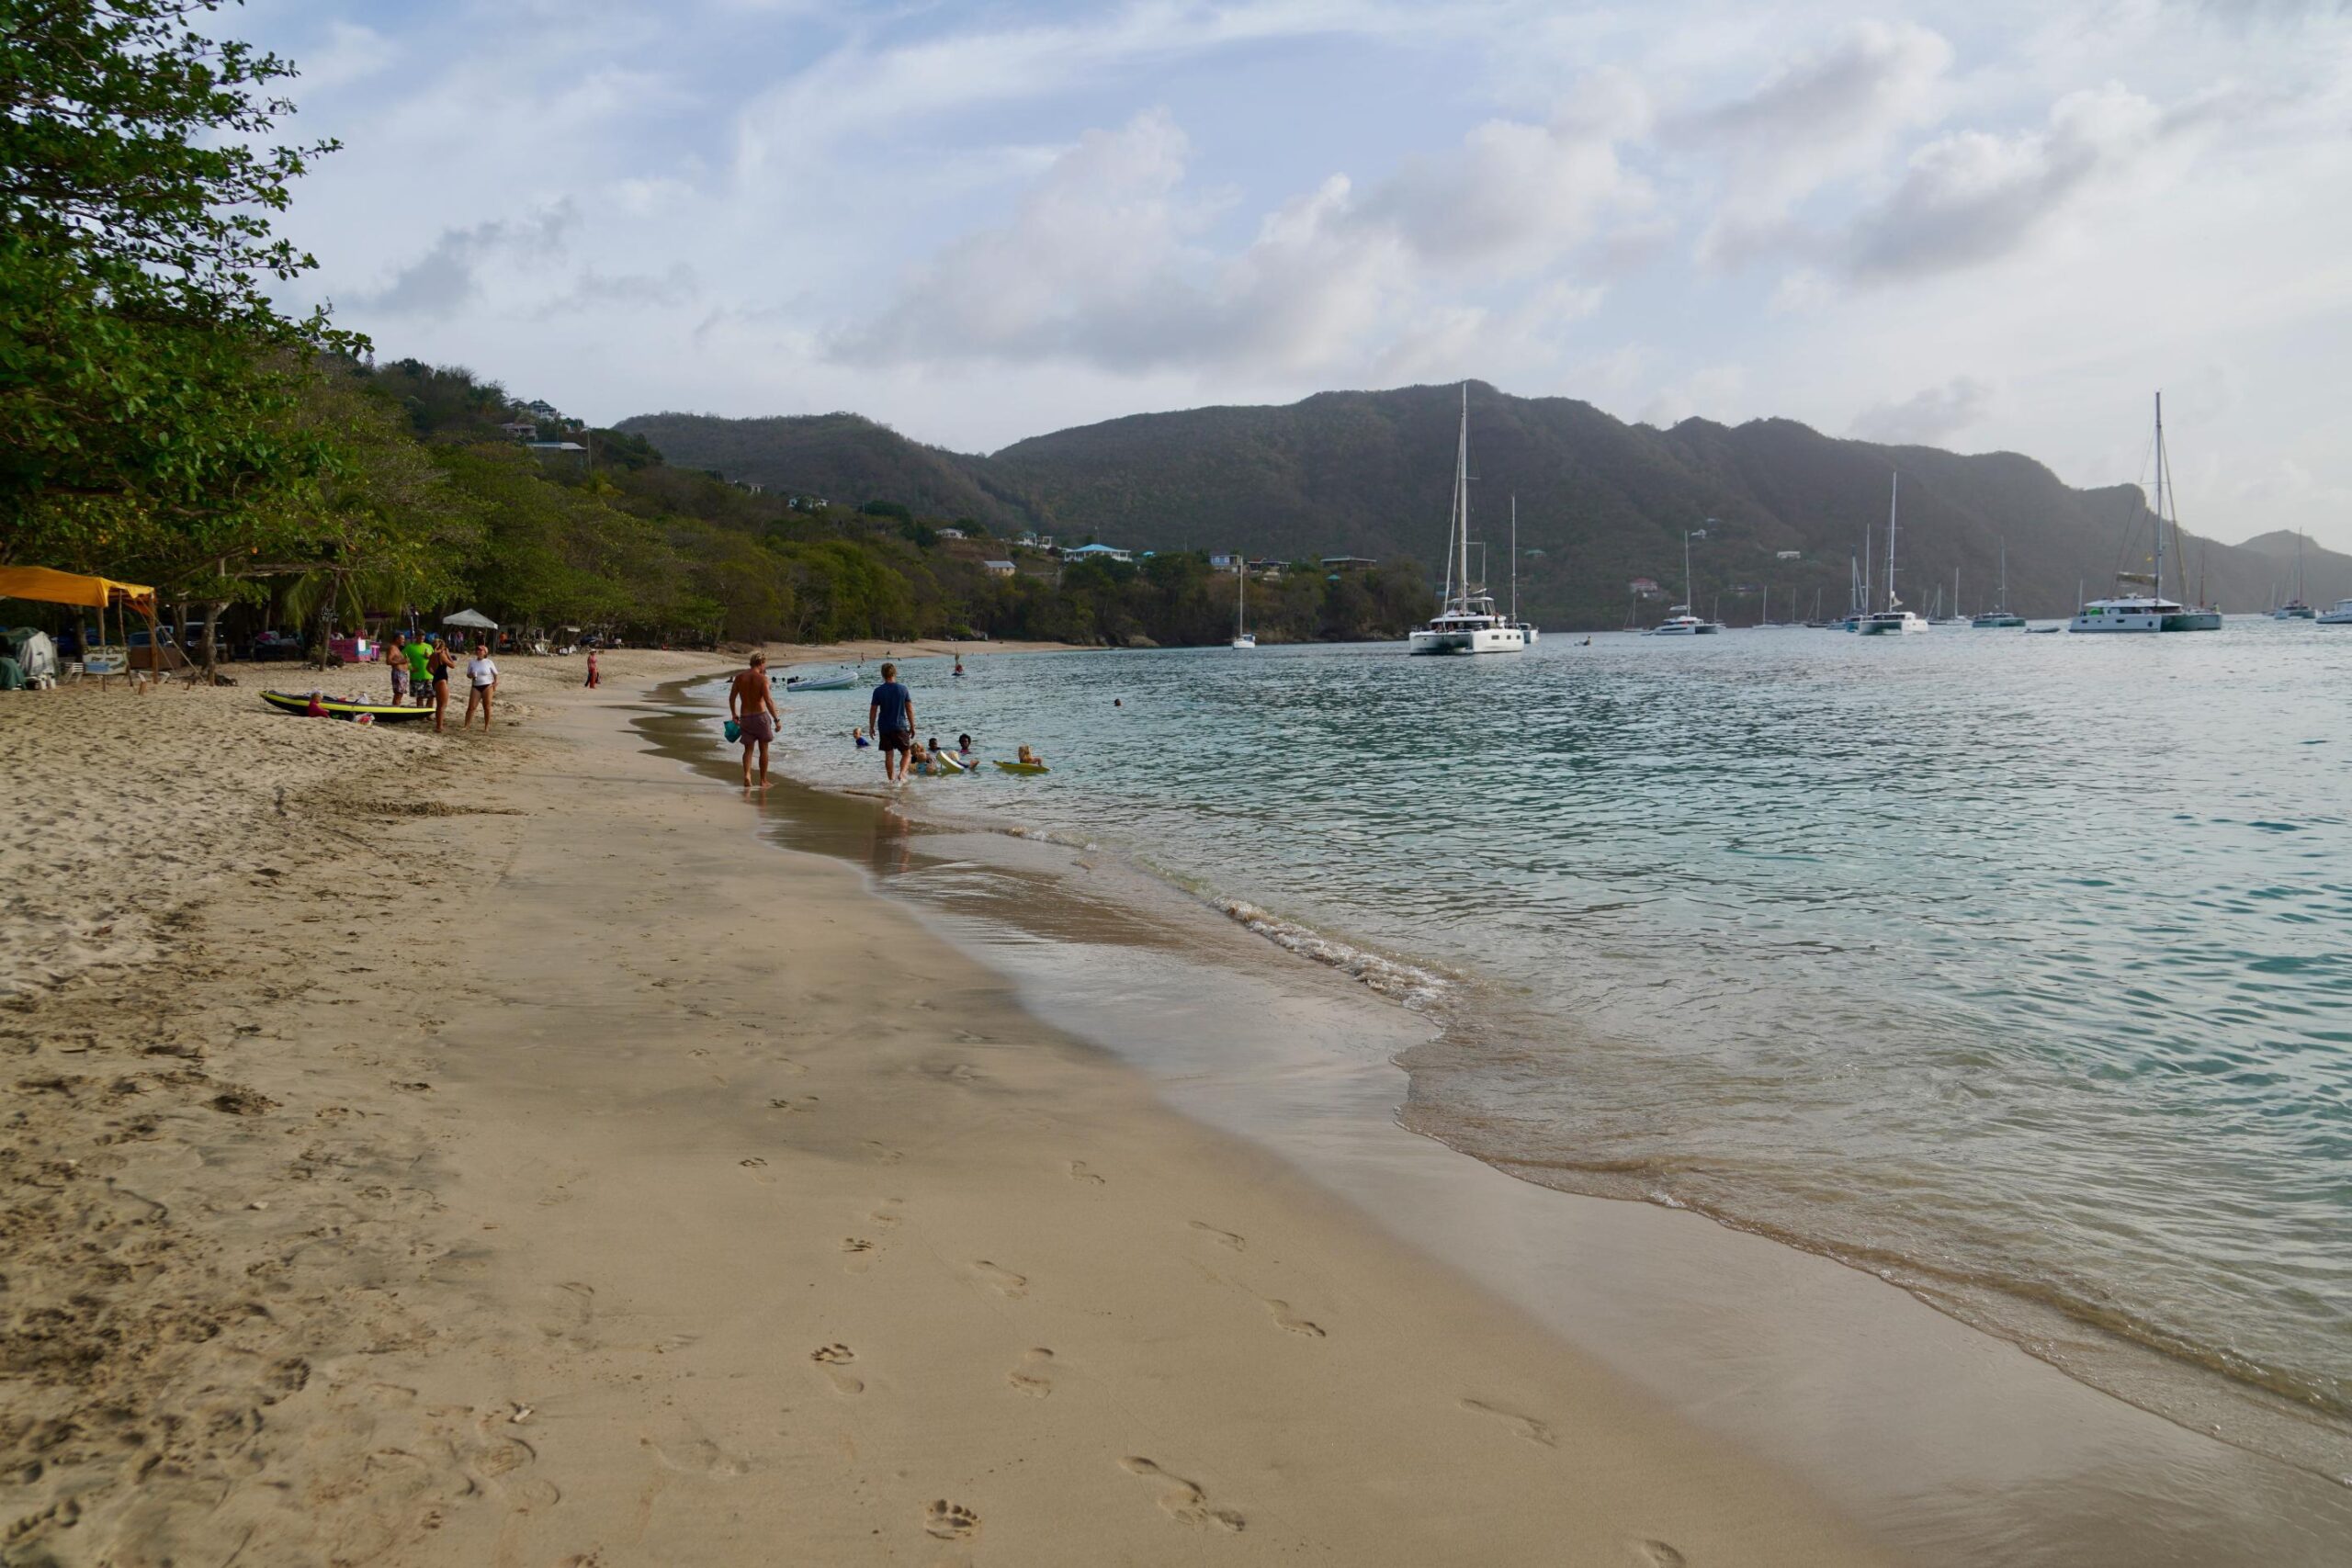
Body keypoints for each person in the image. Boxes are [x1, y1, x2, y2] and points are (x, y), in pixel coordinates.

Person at [729, 651, 782, 786]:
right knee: (764, 749)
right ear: (761, 663)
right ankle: (763, 780)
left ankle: (747, 775)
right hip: (760, 718)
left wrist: (734, 714)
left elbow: (732, 698)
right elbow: (768, 701)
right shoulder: (762, 679)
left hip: (745, 718)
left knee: (748, 750)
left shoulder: (740, 678)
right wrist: (776, 720)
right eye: (765, 664)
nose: (765, 667)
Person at [867, 661, 915, 783]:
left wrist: (871, 727)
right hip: (900, 726)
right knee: (907, 753)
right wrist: (912, 726)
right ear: (895, 673)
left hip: (884, 727)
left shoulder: (878, 691)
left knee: (889, 755)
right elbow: (909, 709)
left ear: (882, 674)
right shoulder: (903, 689)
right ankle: (902, 774)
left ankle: (891, 781)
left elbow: (873, 710)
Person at [462, 641, 499, 730]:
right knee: (471, 707)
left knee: (487, 707)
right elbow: (468, 675)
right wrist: (471, 675)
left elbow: (496, 674)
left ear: (485, 652)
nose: (478, 651)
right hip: (476, 686)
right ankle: (466, 726)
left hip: (487, 686)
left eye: (480, 650)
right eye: (477, 650)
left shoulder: (489, 662)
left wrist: (495, 683)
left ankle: (486, 726)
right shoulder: (472, 662)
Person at [425, 637, 455, 731]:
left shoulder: (433, 655)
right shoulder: (441, 655)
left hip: (436, 679)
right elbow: (453, 665)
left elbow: (428, 668)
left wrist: (435, 674)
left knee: (439, 704)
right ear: (442, 646)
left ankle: (439, 725)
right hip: (442, 680)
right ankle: (439, 726)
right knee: (442, 705)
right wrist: (448, 654)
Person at [405, 632, 432, 707]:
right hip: (416, 676)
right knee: (420, 696)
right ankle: (421, 713)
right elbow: (402, 658)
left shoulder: (429, 646)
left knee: (431, 696)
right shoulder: (410, 647)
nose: (421, 638)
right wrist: (410, 667)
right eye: (419, 636)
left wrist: (429, 656)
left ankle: (428, 712)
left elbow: (435, 658)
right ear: (416, 637)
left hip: (429, 675)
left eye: (423, 636)